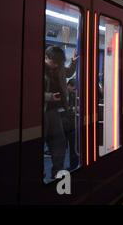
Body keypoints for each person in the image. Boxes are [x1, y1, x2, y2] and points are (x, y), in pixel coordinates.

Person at [44, 46, 77, 178]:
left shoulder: (60, 66)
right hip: (43, 110)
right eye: (55, 62)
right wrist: (50, 97)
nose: (57, 65)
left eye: (60, 63)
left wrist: (73, 62)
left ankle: (57, 172)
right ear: (46, 58)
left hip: (55, 110)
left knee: (59, 141)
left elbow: (68, 73)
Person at [64, 79, 80, 170]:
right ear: (68, 85)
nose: (75, 91)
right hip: (67, 123)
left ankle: (73, 165)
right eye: (73, 89)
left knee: (73, 144)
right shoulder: (64, 94)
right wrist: (74, 109)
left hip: (71, 123)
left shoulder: (72, 93)